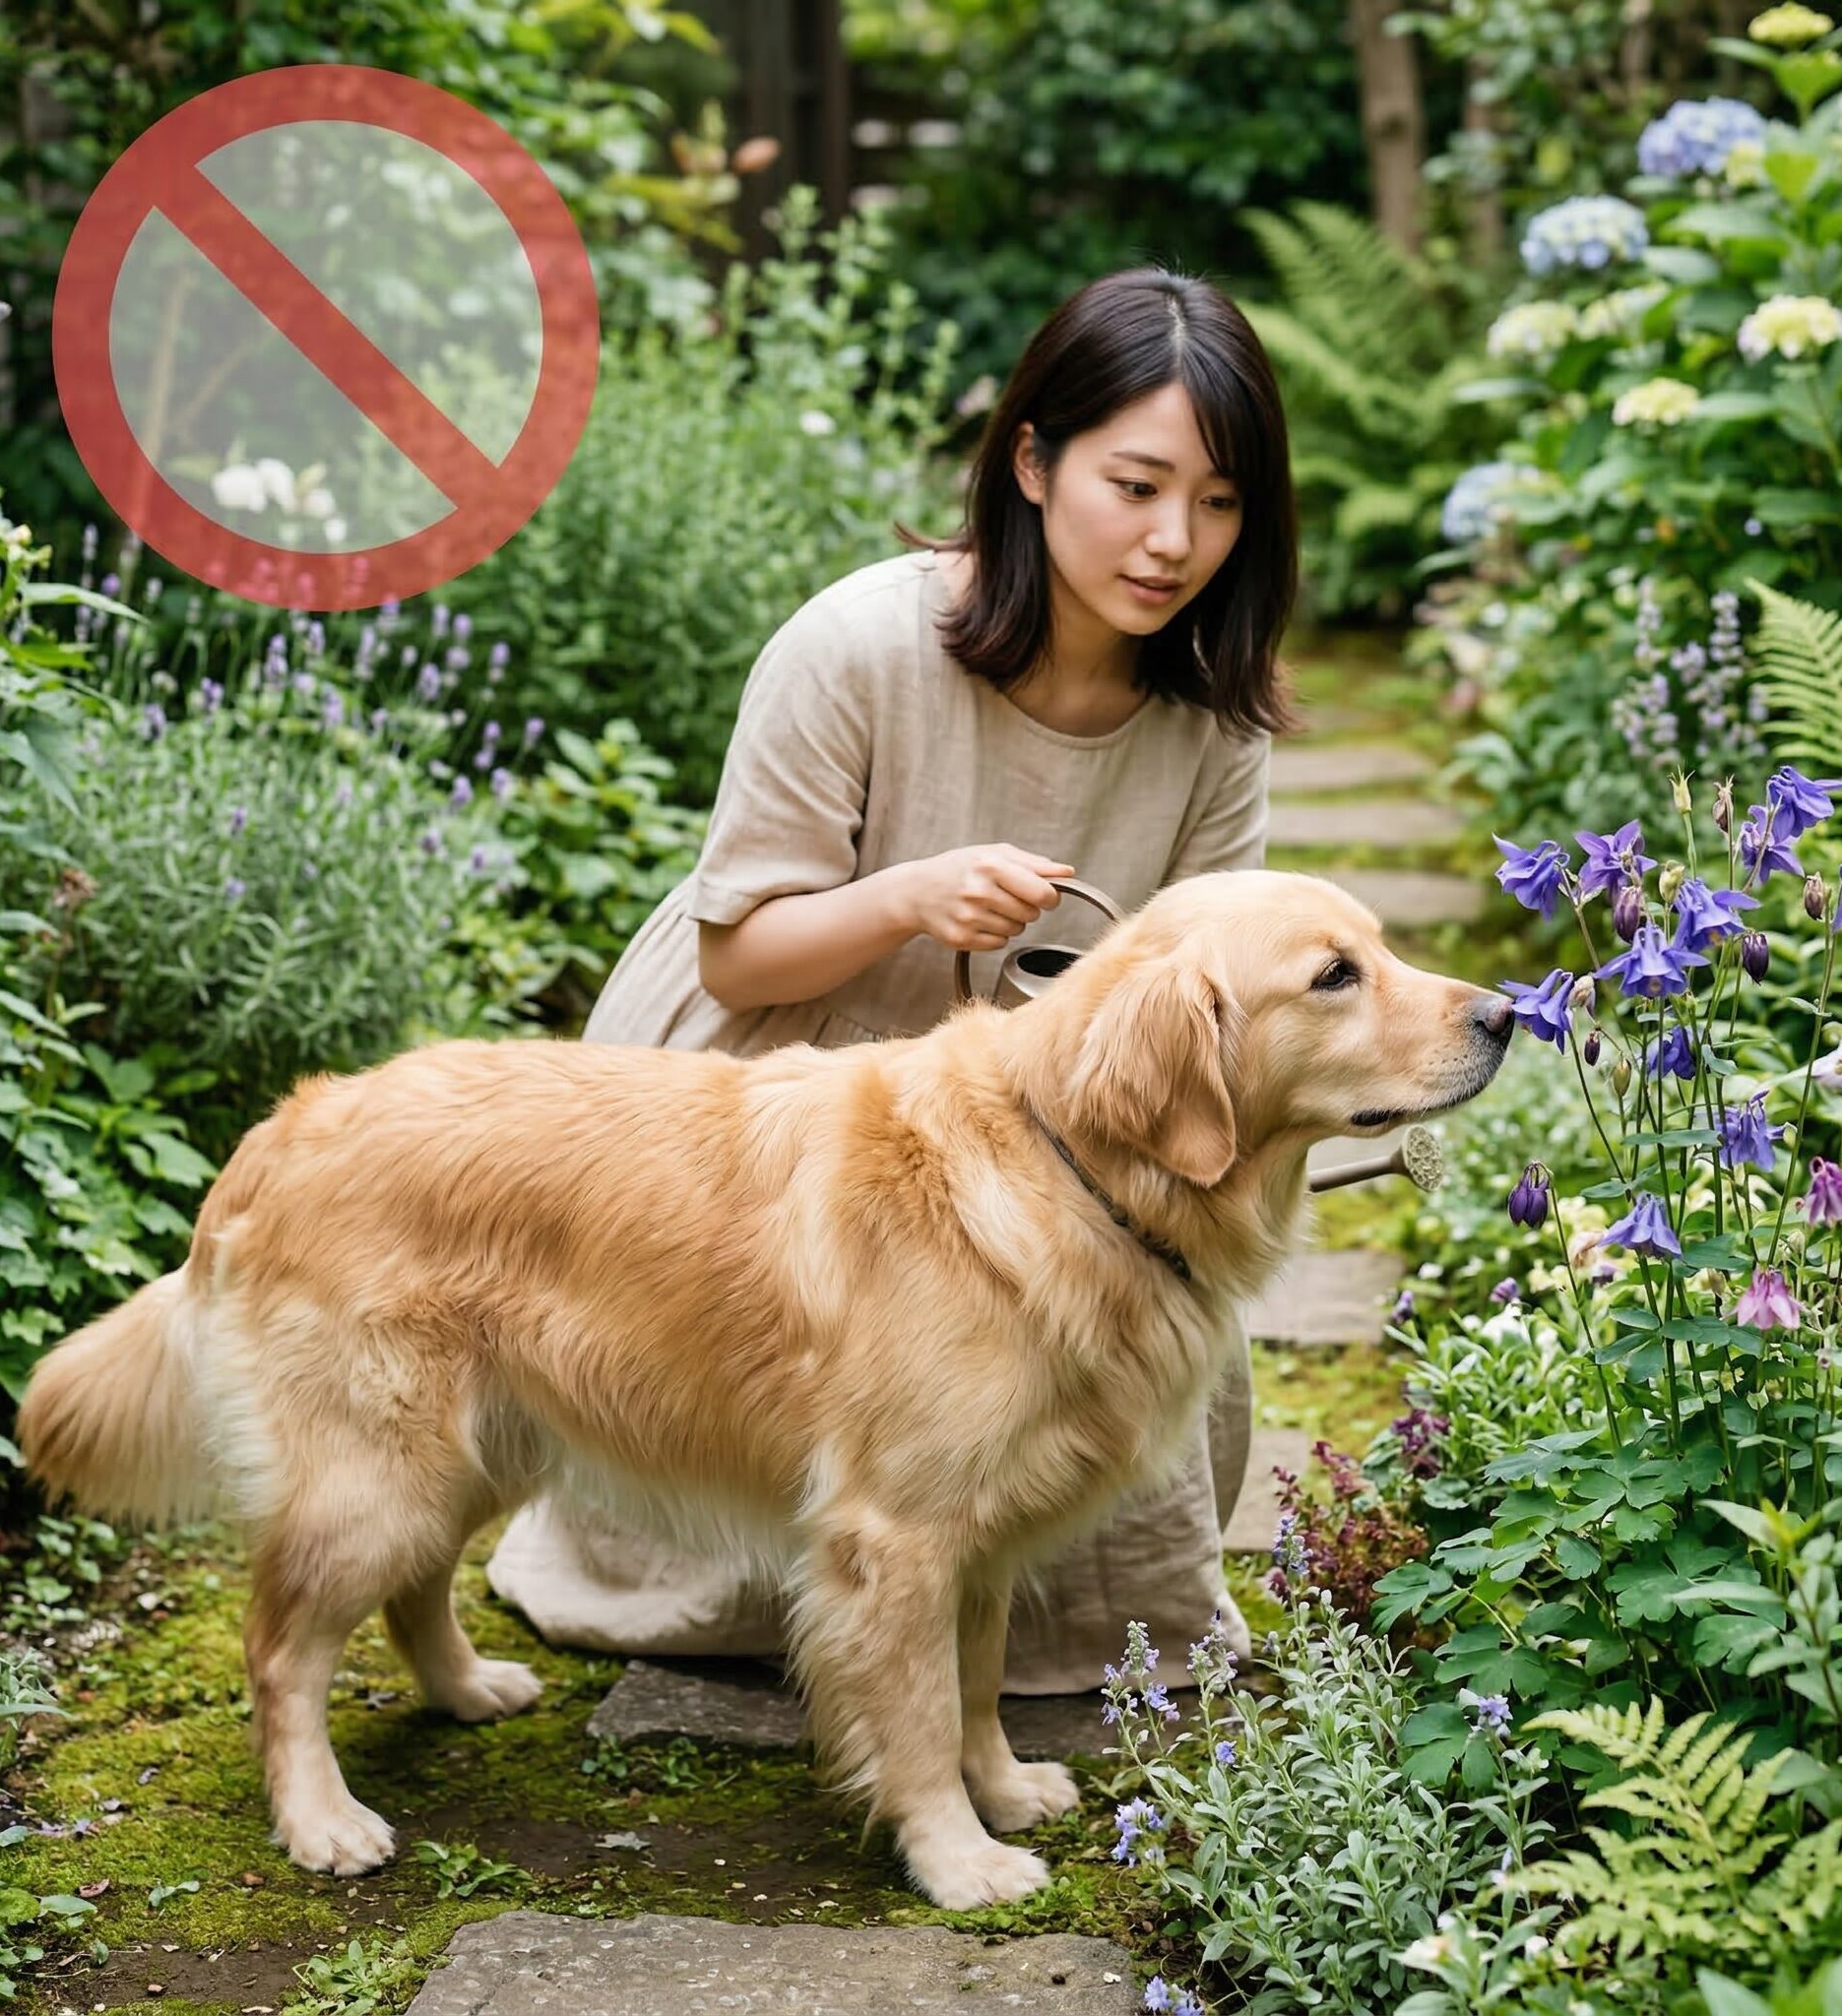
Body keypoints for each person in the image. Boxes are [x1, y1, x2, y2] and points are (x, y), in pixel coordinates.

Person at [486, 265, 1304, 1693]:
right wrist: (908, 898)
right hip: (787, 1084)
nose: (1176, 540)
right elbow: (739, 946)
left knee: (1090, 1555)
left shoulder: (1213, 729)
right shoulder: (863, 644)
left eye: (1223, 501)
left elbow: (1192, 1015)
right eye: (1139, 483)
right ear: (1034, 463)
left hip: (1057, 1124)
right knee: (810, 1511)